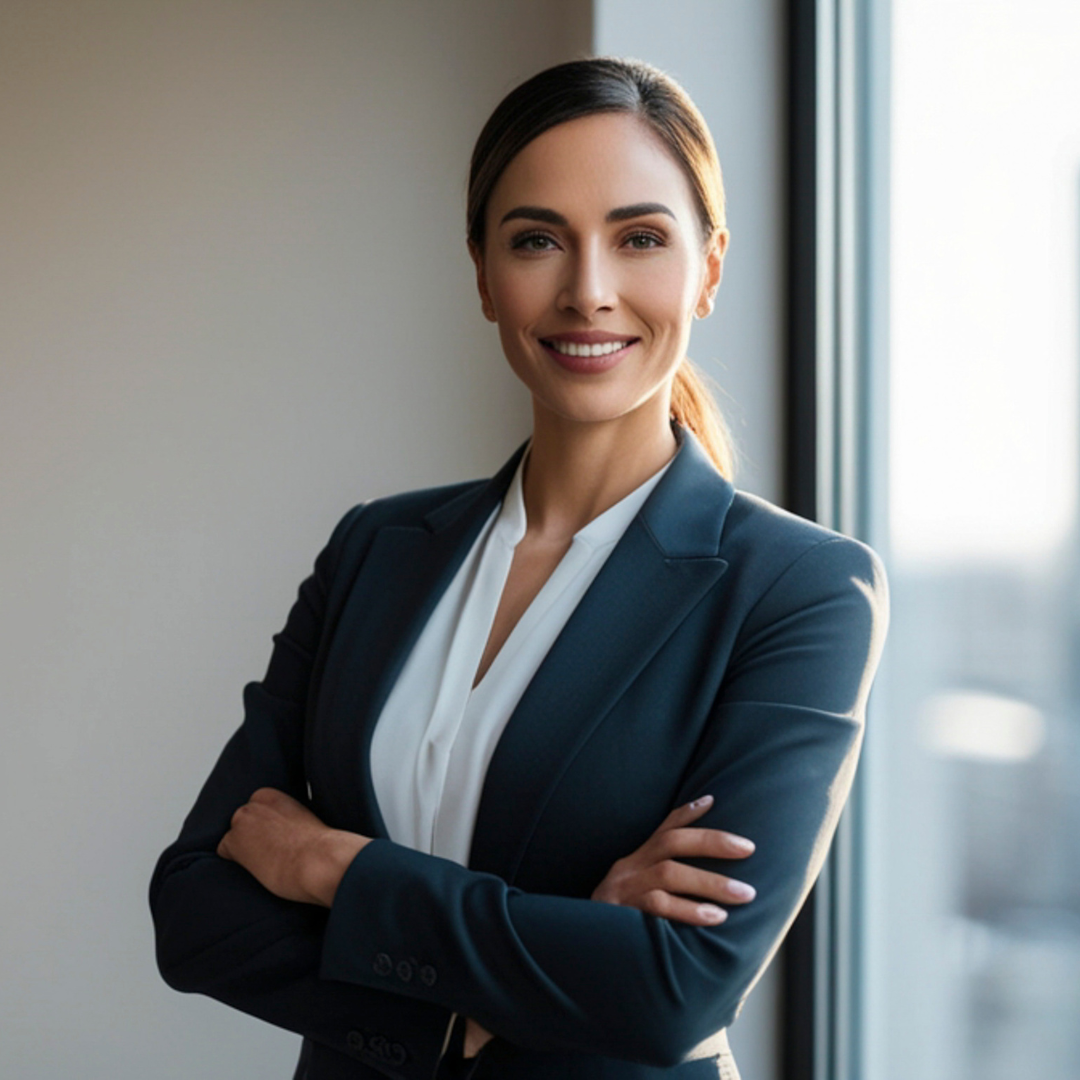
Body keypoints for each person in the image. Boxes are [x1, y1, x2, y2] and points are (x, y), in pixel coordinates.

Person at [149, 57, 888, 1080]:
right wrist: (487, 1001)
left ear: (709, 270)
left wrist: (337, 867)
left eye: (639, 239)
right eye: (538, 240)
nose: (588, 292)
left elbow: (675, 987)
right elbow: (194, 912)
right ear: (484, 275)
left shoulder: (798, 588)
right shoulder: (375, 549)